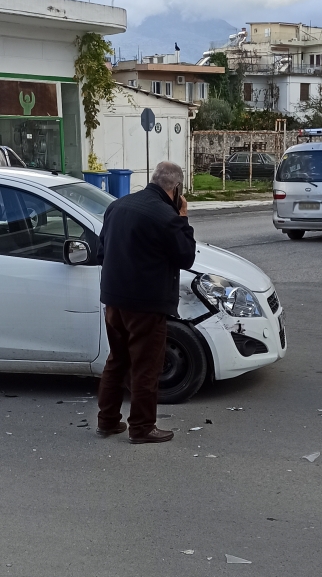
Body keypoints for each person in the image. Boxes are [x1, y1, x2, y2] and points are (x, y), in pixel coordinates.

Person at [96, 161, 196, 444]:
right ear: (176, 188)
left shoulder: (117, 206)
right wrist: (183, 217)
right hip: (146, 304)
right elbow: (186, 256)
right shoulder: (166, 215)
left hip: (114, 300)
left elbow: (101, 252)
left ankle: (107, 421)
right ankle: (141, 427)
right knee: (146, 365)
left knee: (117, 359)